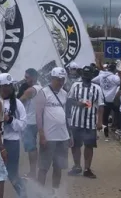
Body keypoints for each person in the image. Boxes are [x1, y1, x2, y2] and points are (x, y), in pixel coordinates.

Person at [34, 67, 71, 195]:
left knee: (58, 166)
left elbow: (66, 115)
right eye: (58, 80)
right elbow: (38, 115)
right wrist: (41, 134)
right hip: (48, 137)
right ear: (52, 79)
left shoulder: (64, 94)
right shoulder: (43, 93)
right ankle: (39, 192)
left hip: (63, 137)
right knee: (43, 167)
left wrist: (70, 134)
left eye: (62, 80)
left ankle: (55, 191)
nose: (60, 82)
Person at [67, 66, 103, 178]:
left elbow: (101, 105)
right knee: (75, 145)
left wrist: (99, 121)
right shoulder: (75, 86)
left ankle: (87, 168)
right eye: (84, 76)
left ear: (92, 76)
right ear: (82, 76)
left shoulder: (97, 88)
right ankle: (77, 166)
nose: (86, 78)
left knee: (89, 145)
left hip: (90, 121)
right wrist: (78, 103)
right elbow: (69, 100)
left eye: (88, 76)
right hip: (76, 120)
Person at [0, 74, 26, 198]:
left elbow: (23, 125)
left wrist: (10, 119)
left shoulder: (17, 104)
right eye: (6, 86)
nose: (9, 88)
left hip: (12, 143)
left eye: (10, 86)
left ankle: (24, 195)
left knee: (12, 173)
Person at [19, 68, 40, 179]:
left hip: (30, 121)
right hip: (38, 120)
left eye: (27, 77)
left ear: (33, 77)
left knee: (31, 148)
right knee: (33, 147)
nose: (25, 79)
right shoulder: (42, 87)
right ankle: (35, 171)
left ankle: (32, 172)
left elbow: (18, 102)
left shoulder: (31, 90)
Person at [93, 62, 120, 141]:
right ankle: (117, 128)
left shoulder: (101, 76)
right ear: (114, 70)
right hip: (113, 100)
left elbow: (93, 81)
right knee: (119, 114)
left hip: (104, 99)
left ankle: (106, 136)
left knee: (105, 118)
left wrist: (100, 87)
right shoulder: (115, 78)